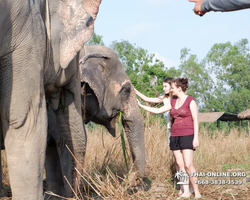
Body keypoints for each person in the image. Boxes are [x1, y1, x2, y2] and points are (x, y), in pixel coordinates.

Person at [137, 78, 201, 199]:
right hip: (174, 135)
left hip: (187, 134)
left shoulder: (190, 100)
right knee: (179, 164)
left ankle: (196, 191)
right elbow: (157, 111)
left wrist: (196, 138)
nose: (171, 89)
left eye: (173, 87)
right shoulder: (172, 102)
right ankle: (186, 191)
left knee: (188, 165)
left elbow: (196, 120)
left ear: (179, 88)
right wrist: (140, 105)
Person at [134, 77, 174, 145]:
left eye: (165, 86)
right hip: (170, 130)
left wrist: (141, 106)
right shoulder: (164, 98)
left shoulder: (176, 100)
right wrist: (134, 90)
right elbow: (146, 99)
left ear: (172, 86)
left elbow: (158, 110)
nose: (163, 88)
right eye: (163, 86)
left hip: (177, 129)